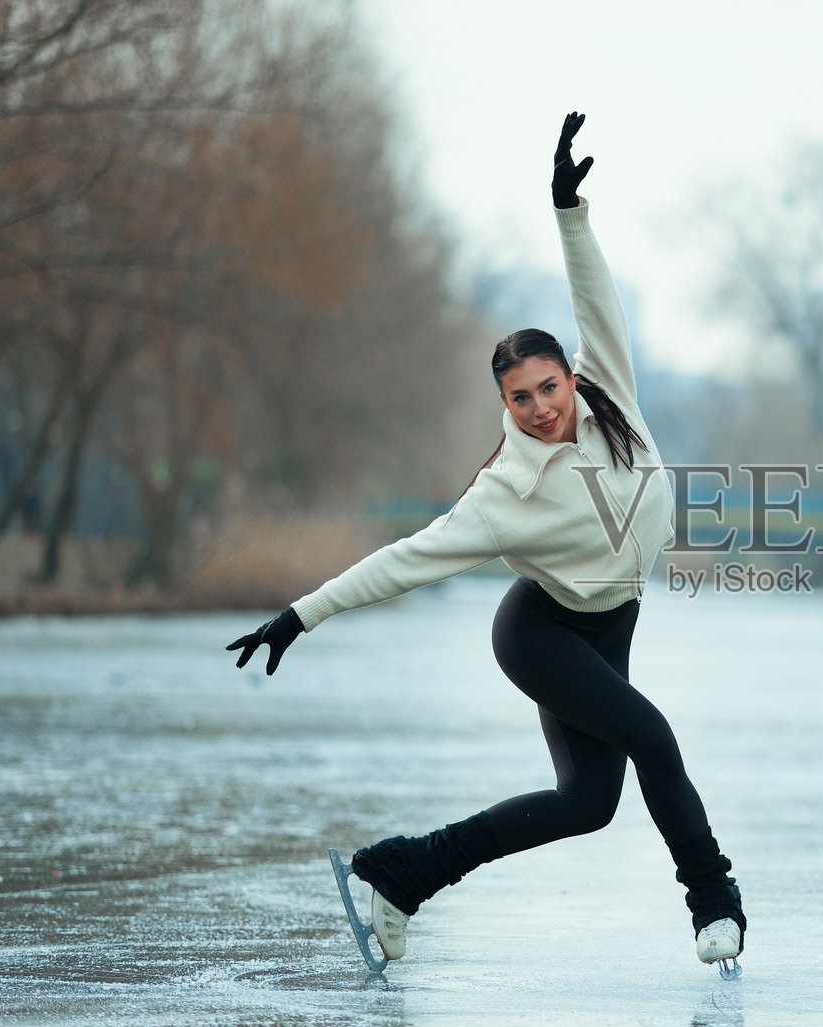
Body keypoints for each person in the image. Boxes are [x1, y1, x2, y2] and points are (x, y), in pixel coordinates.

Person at [226, 112, 746, 976]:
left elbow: (592, 298)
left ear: (570, 377)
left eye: (549, 387)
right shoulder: (504, 492)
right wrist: (300, 614)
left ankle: (406, 870)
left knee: (587, 803)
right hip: (542, 633)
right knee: (654, 737)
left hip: (612, 622)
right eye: (520, 398)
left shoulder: (608, 388)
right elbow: (403, 560)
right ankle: (715, 901)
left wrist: (568, 213)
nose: (542, 407)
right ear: (503, 405)